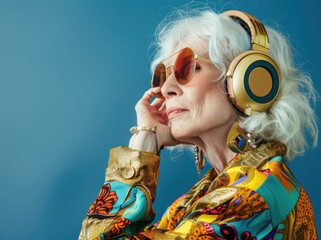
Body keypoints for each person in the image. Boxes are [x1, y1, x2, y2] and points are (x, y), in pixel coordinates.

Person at [78, 9, 318, 239]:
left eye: (188, 68)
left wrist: (140, 153)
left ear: (247, 82)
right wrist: (146, 136)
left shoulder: (254, 195)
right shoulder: (204, 195)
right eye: (164, 75)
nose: (165, 88)